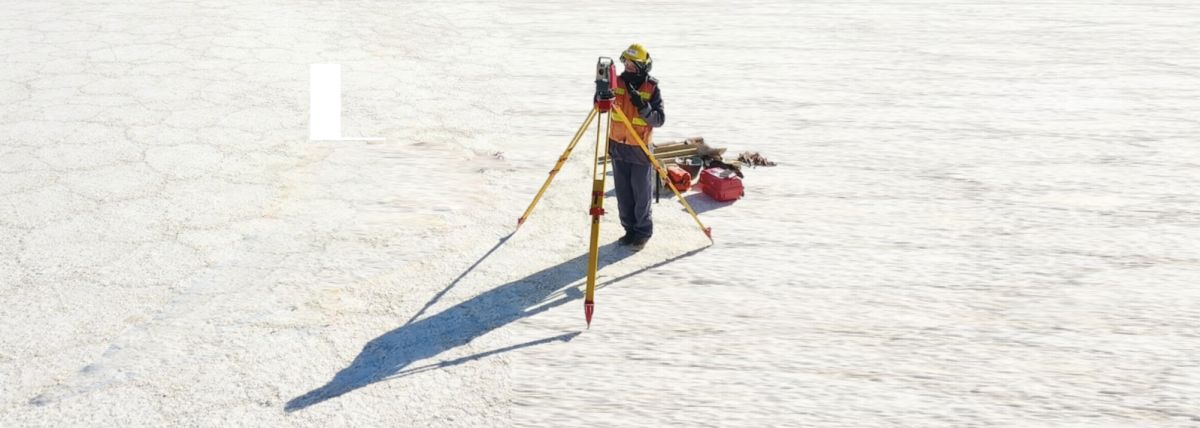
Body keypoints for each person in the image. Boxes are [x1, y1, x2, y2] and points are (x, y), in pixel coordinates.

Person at [608, 44, 665, 251]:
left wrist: (642, 106)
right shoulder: (616, 82)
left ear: (643, 66)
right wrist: (600, 96)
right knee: (623, 195)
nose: (628, 67)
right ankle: (629, 230)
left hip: (640, 149)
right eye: (626, 63)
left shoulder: (651, 88)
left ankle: (642, 233)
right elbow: (602, 108)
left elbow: (658, 120)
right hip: (618, 146)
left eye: (632, 64)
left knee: (641, 196)